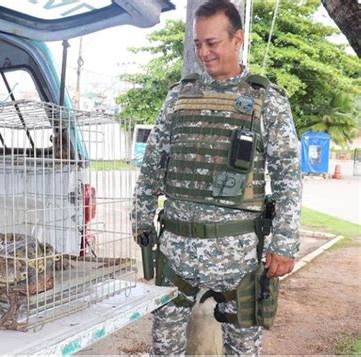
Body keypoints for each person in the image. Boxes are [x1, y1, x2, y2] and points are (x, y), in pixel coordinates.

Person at [132, 0, 302, 355]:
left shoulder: (266, 100)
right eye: (197, 44)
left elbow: (287, 175)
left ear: (237, 40)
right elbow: (152, 163)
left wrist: (284, 244)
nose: (203, 53)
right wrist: (141, 216)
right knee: (164, 346)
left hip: (236, 256)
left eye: (212, 43)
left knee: (243, 346)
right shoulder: (179, 96)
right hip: (176, 250)